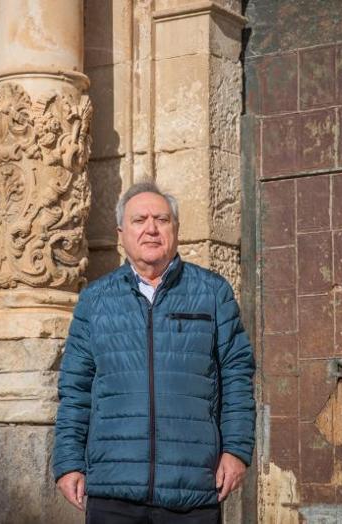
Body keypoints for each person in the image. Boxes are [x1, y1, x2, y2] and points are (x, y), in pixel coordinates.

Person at [53, 182, 255, 523]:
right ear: (121, 233)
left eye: (161, 219)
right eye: (139, 220)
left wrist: (236, 451)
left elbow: (237, 375)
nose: (151, 228)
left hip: (192, 488)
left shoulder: (212, 293)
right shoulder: (95, 300)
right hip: (112, 489)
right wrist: (68, 462)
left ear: (175, 229)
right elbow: (75, 389)